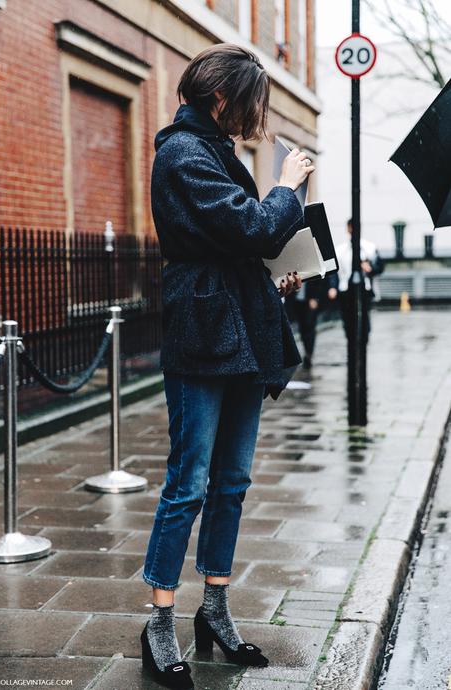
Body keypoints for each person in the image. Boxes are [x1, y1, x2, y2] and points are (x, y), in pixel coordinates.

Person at [140, 43, 315, 689]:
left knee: (233, 482)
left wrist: (272, 281)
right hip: (203, 336)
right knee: (187, 483)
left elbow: (243, 243)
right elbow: (251, 227)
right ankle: (160, 620)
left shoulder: (216, 151)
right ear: (222, 98)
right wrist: (286, 187)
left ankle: (214, 608)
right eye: (250, 103)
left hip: (240, 328)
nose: (255, 115)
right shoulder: (184, 153)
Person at [335, 218, 384, 341]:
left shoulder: (369, 248)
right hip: (345, 289)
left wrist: (370, 268)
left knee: (364, 320)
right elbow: (335, 272)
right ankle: (352, 342)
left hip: (364, 288)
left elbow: (380, 267)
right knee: (348, 320)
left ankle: (362, 344)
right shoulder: (340, 250)